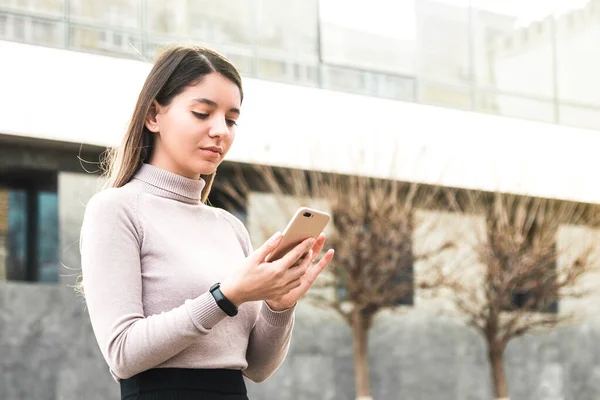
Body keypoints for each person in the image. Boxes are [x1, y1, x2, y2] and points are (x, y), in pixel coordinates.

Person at [79, 44, 335, 400]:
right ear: (154, 116)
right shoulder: (116, 209)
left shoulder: (229, 226)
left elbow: (258, 368)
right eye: (202, 113)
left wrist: (280, 305)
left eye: (231, 120)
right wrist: (226, 295)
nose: (221, 131)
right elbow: (123, 354)